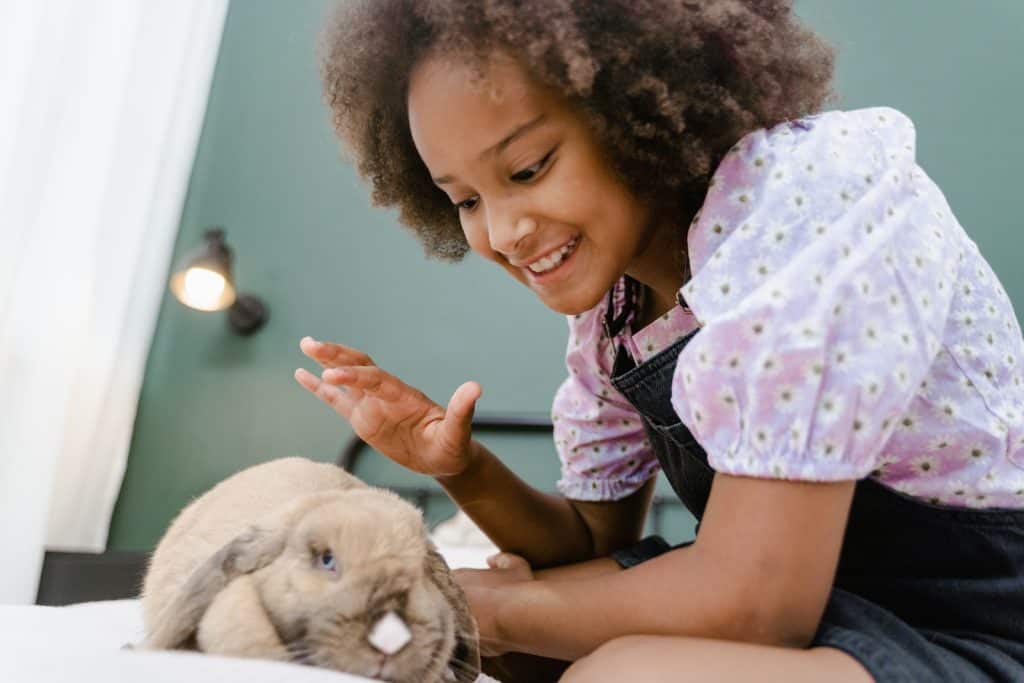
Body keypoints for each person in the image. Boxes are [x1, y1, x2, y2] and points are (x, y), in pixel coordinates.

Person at [294, 1, 1024, 681]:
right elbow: (592, 542)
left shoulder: (808, 205)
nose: (506, 230)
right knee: (505, 646)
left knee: (608, 670)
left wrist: (485, 605)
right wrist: (462, 468)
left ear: (628, 109)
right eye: (467, 200)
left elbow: (757, 600)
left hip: (974, 622)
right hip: (822, 605)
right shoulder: (616, 317)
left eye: (527, 168)